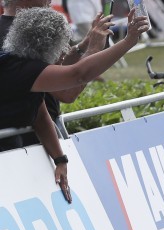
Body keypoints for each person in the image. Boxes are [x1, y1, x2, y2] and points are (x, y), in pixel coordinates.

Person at [0, 7, 148, 201]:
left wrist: (60, 159)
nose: (64, 53)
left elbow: (39, 114)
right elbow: (78, 75)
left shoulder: (23, 64)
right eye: (60, 46)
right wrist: (128, 42)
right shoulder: (21, 69)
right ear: (43, 46)